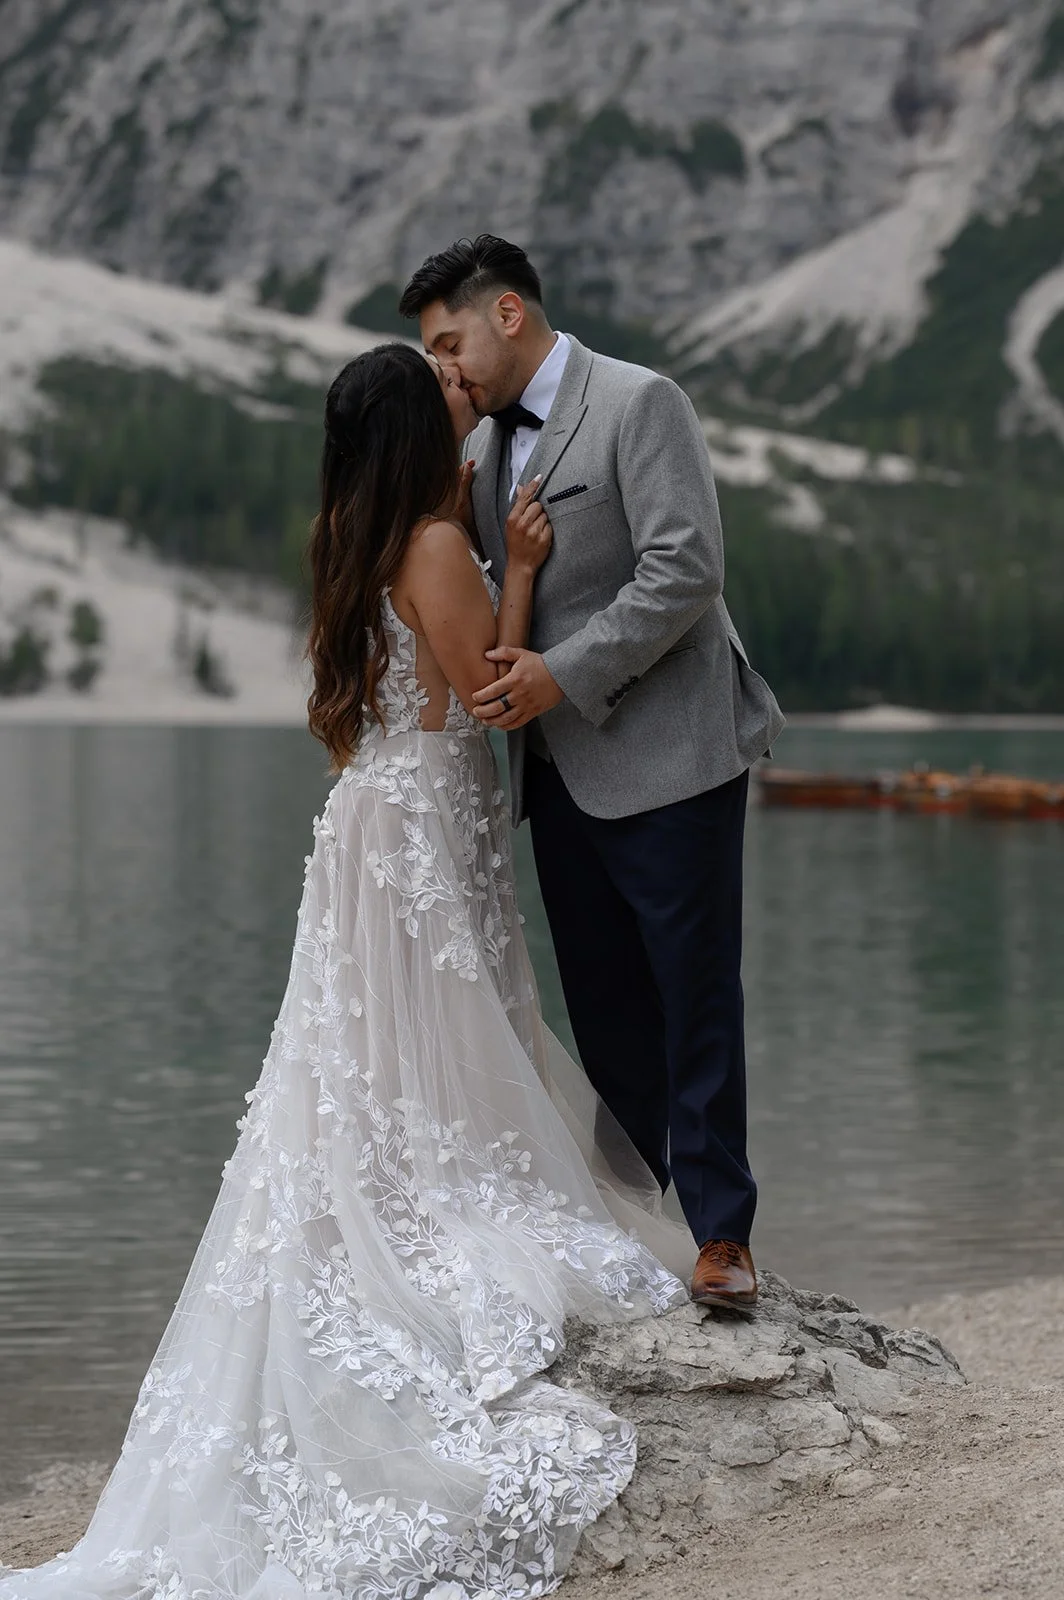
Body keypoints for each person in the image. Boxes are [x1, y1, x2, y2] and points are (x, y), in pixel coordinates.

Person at [0, 343, 693, 1600]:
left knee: (379, 1052)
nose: (463, 388)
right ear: (414, 431)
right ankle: (423, 1220)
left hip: (376, 816)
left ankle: (390, 1200)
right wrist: (517, 570)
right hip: (423, 817)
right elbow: (490, 691)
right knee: (438, 1038)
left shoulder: (355, 534)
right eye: (443, 389)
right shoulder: (434, 546)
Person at [399, 234, 786, 1314]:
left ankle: (721, 1235)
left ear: (507, 313)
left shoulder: (638, 402)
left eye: (449, 342)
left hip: (673, 752)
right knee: (603, 1007)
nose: (444, 368)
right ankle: (632, 1219)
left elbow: (685, 567)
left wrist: (560, 676)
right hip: (556, 769)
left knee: (693, 995)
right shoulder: (480, 445)